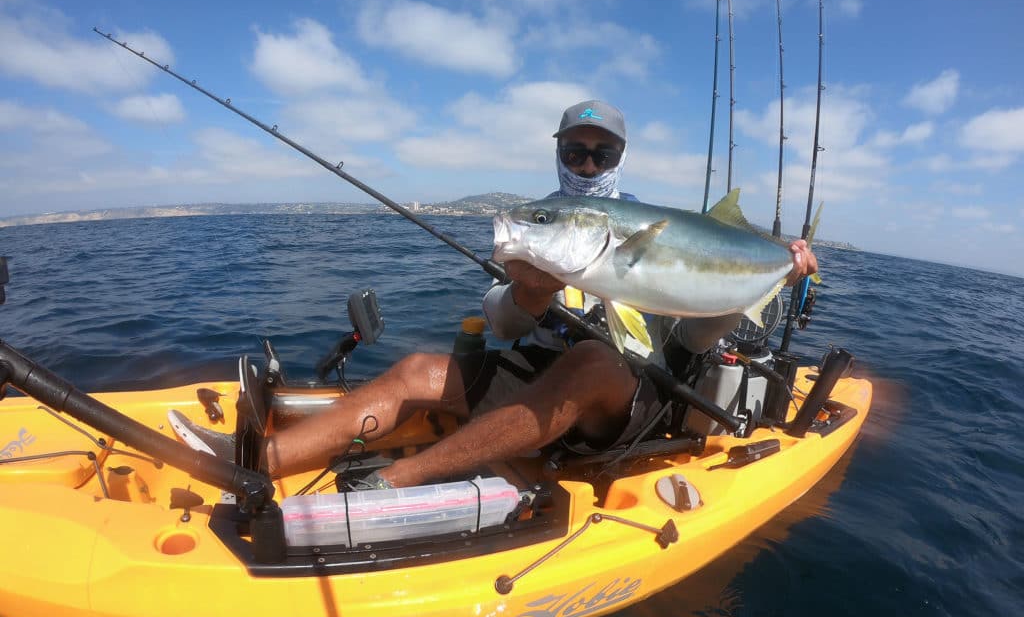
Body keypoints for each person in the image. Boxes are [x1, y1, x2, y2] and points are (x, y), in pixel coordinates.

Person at [177, 100, 817, 488]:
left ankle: (394, 482)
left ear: (619, 157)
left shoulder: (642, 226)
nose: (588, 164)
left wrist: (767, 280)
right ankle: (259, 459)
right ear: (561, 152)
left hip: (632, 400)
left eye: (602, 153)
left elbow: (695, 336)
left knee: (594, 360)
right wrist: (532, 293)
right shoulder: (541, 229)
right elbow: (504, 323)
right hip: (540, 380)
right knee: (416, 370)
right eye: (577, 151)